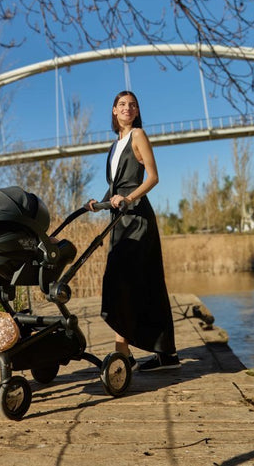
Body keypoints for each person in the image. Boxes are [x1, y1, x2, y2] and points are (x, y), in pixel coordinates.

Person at [86, 90, 180, 372]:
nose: (128, 108)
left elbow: (153, 177)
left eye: (133, 105)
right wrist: (99, 203)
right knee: (144, 283)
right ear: (114, 111)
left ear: (137, 112)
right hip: (120, 220)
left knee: (123, 281)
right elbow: (117, 187)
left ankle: (122, 351)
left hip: (138, 219)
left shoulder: (138, 136)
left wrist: (128, 199)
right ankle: (166, 355)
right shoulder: (114, 145)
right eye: (122, 104)